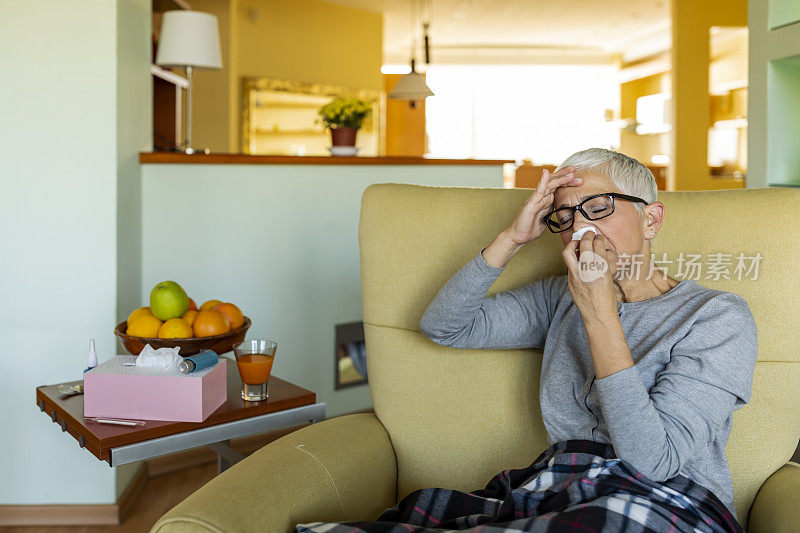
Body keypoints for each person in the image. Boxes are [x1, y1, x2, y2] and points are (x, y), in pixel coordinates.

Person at [418, 147, 758, 524]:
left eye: (598, 208)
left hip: (670, 500)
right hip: (562, 489)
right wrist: (512, 238)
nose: (580, 229)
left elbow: (655, 461)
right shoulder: (557, 299)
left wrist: (599, 315)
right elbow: (444, 327)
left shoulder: (716, 316)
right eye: (563, 218)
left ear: (650, 219)